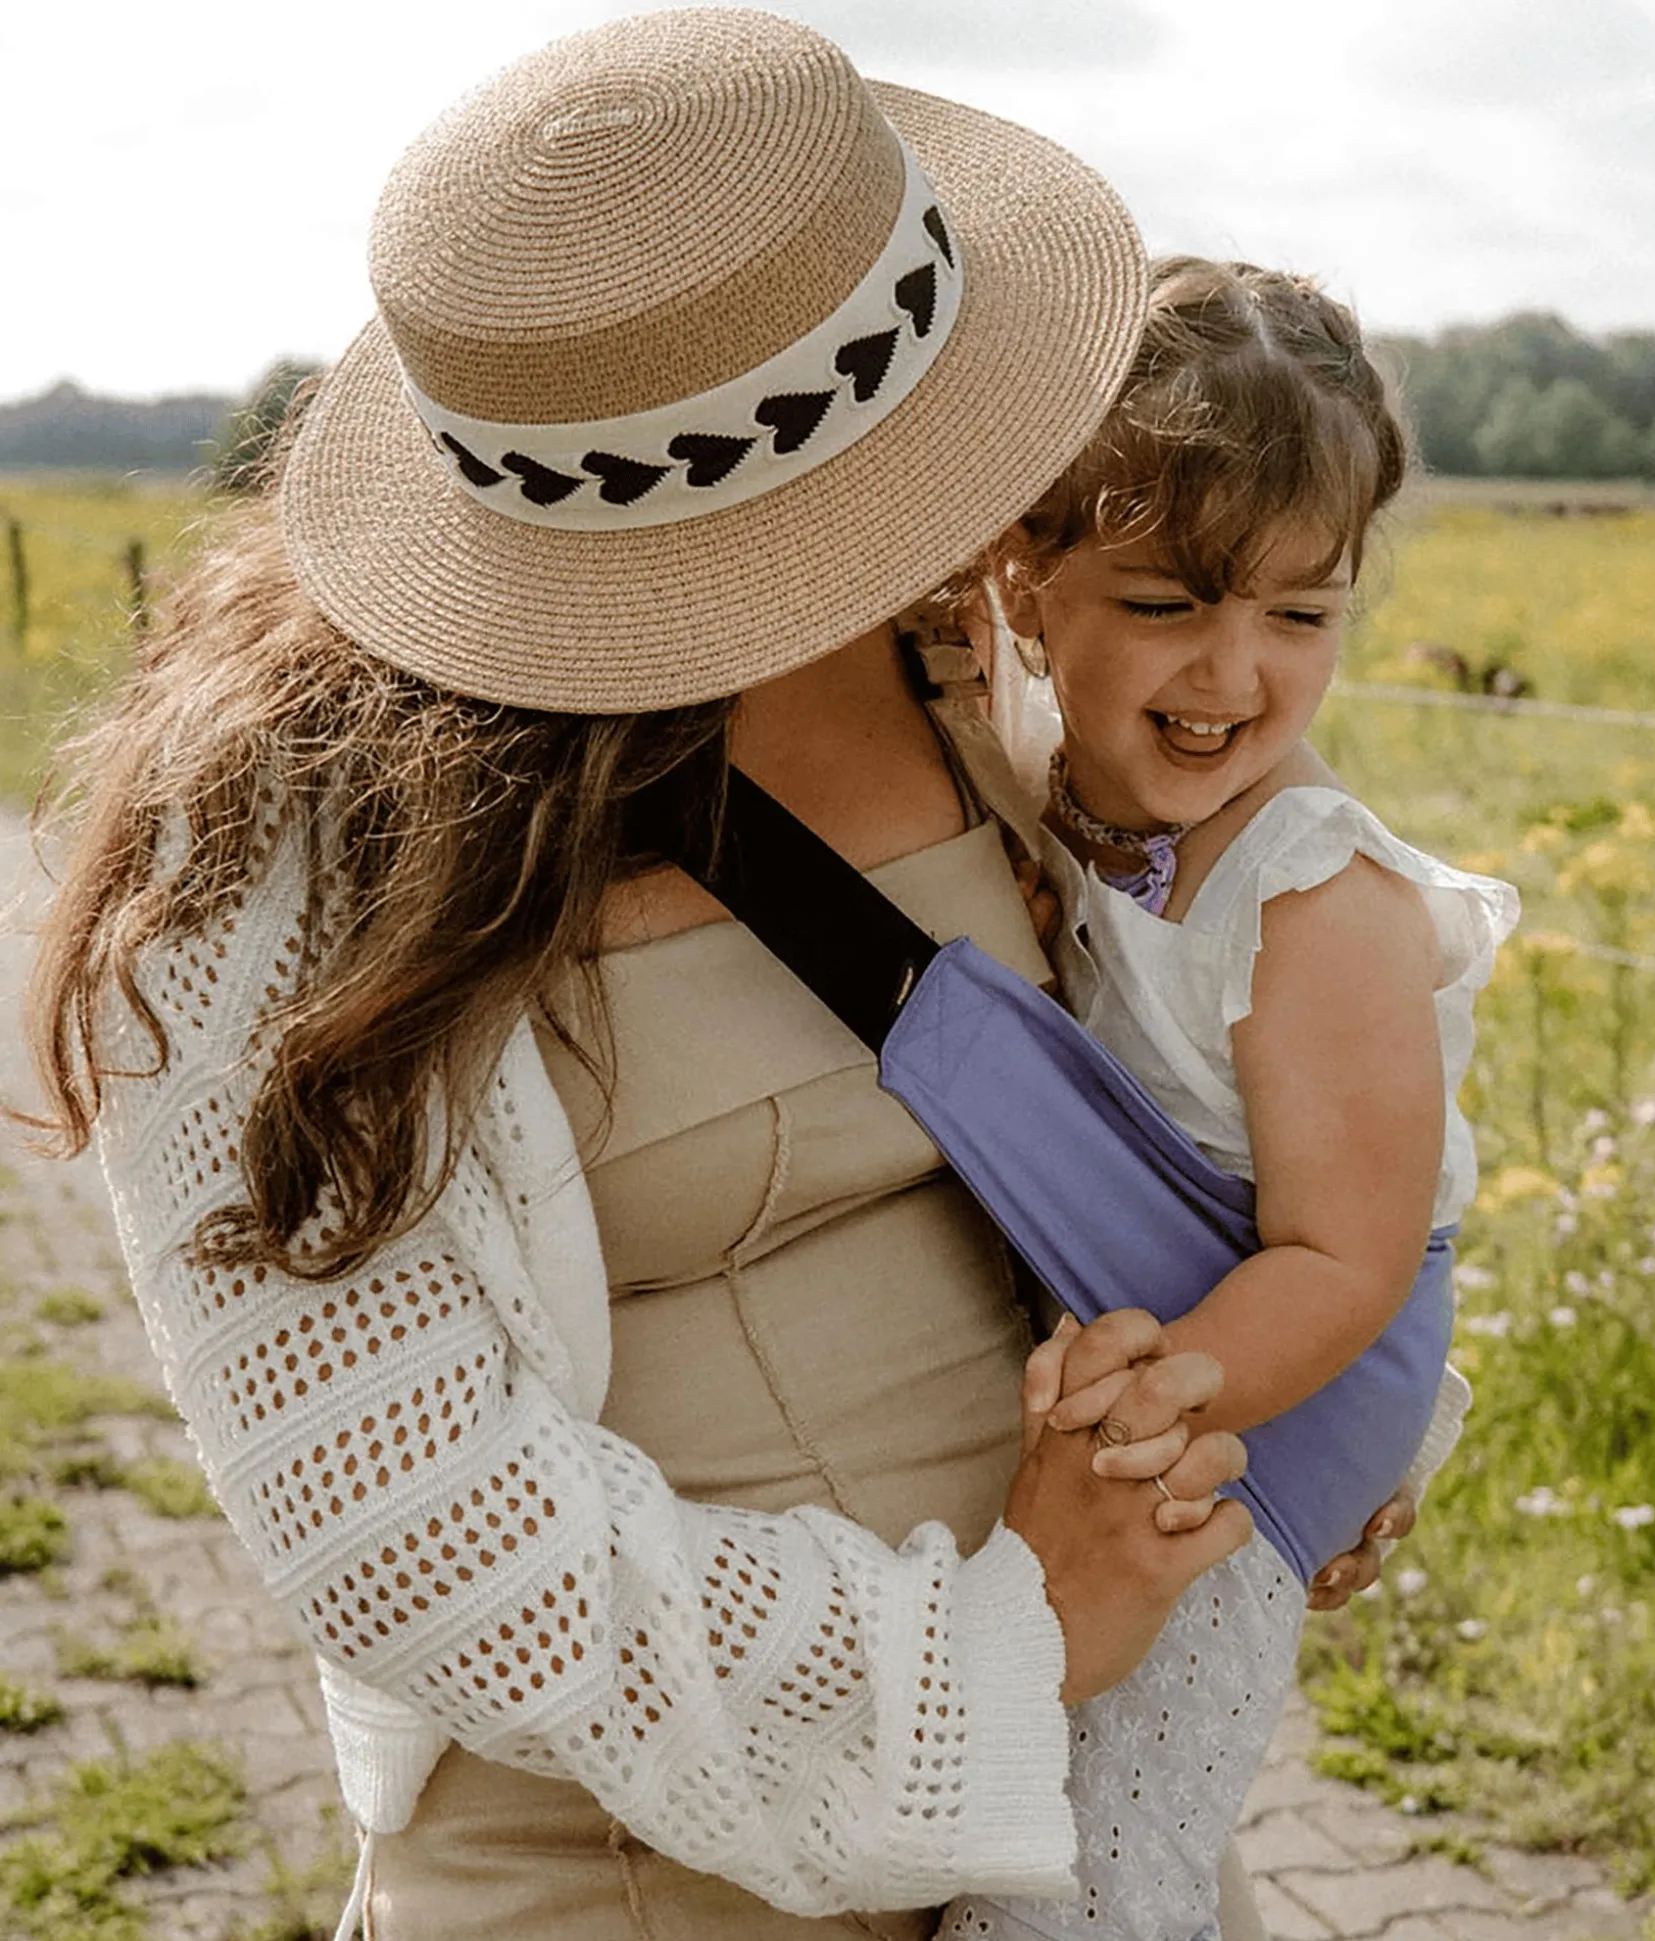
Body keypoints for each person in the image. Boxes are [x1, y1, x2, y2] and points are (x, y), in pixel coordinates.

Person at [22, 21, 1407, 1941]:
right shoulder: (288, 853)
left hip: (1077, 1837)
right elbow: (400, 1523)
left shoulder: (965, 648)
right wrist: (1002, 1640)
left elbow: (1228, 1030)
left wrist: (1283, 1410)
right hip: (634, 1865)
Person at [939, 259, 1518, 1941]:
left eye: (1300, 614)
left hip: (1267, 1371)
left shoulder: (1308, 897)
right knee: (1021, 1789)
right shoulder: (1042, 744)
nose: (1234, 672)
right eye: (1171, 601)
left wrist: (1171, 1401)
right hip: (1200, 1326)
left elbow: (1350, 1255)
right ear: (1026, 583)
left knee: (1102, 1847)